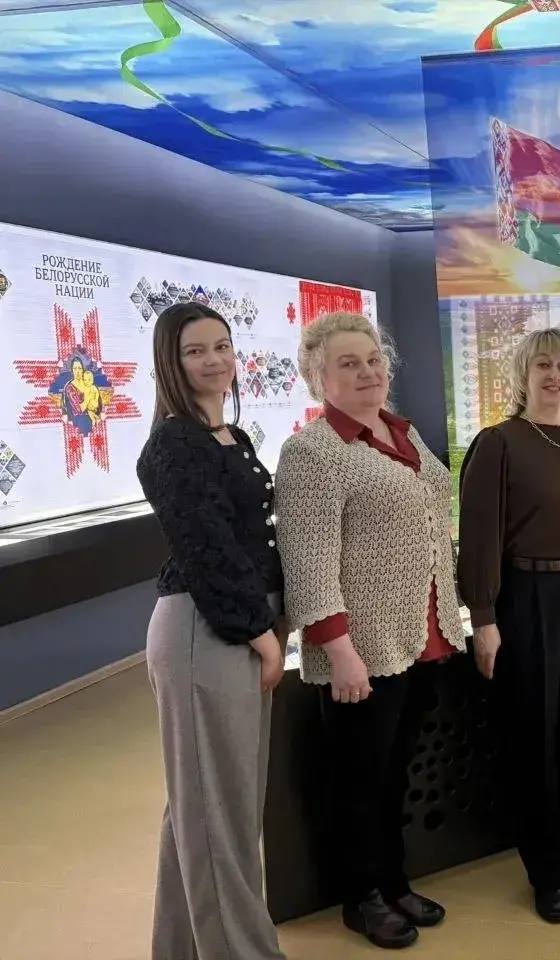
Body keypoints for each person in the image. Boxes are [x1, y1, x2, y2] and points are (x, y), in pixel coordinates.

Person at [273, 312, 465, 951]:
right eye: (348, 364)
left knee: (394, 773)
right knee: (358, 780)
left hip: (421, 636)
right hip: (363, 648)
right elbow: (307, 559)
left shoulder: (402, 432)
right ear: (318, 377)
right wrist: (339, 651)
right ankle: (362, 899)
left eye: (374, 360)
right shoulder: (313, 452)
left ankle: (393, 882)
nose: (366, 372)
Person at [135, 303, 287, 960]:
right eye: (195, 350)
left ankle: (181, 949)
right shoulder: (173, 444)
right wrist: (261, 632)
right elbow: (207, 549)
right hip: (207, 631)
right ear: (170, 363)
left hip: (238, 627)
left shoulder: (232, 436)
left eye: (221, 345)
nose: (214, 360)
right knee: (217, 819)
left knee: (208, 810)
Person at [458, 327, 560, 925]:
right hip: (525, 596)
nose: (555, 376)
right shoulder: (498, 443)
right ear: (523, 376)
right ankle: (546, 869)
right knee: (535, 733)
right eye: (543, 366)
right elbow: (479, 536)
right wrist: (484, 618)